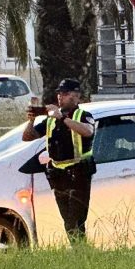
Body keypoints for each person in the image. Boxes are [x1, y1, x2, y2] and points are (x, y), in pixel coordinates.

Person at [22, 79, 96, 242]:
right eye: (59, 93)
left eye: (65, 93)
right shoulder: (50, 120)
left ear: (76, 97)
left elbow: (88, 131)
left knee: (75, 221)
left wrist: (62, 118)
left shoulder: (83, 115)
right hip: (58, 176)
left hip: (78, 174)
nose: (60, 97)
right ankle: (81, 253)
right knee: (67, 221)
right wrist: (31, 120)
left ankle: (81, 253)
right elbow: (27, 137)